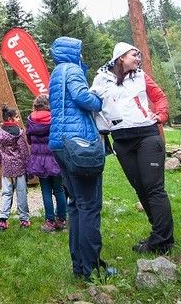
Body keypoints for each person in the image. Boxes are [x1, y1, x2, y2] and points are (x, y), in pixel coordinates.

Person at [91, 42, 175, 255]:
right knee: (140, 188)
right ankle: (159, 234)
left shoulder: (141, 76)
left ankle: (162, 240)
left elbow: (159, 97)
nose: (138, 58)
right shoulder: (101, 79)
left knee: (154, 188)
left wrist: (161, 115)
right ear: (121, 57)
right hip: (121, 139)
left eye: (139, 55)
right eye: (134, 55)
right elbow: (91, 103)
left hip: (147, 135)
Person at [48, 36, 111, 281]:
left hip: (60, 144)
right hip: (79, 145)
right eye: (79, 51)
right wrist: (100, 100)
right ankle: (91, 269)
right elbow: (82, 98)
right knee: (89, 206)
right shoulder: (72, 70)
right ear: (72, 52)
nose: (82, 55)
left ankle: (79, 266)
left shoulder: (56, 73)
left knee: (75, 204)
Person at [26, 94, 66, 232]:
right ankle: (61, 219)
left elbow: (29, 139)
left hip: (39, 161)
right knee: (59, 190)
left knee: (46, 191)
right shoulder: (55, 118)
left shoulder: (31, 119)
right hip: (55, 158)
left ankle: (49, 221)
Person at [0, 105, 31, 230]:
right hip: (19, 168)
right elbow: (24, 150)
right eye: (16, 117)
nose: (18, 119)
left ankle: (3, 219)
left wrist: (2, 161)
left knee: (6, 193)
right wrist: (27, 165)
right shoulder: (19, 133)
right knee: (21, 193)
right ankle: (24, 219)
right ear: (10, 118)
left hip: (6, 168)